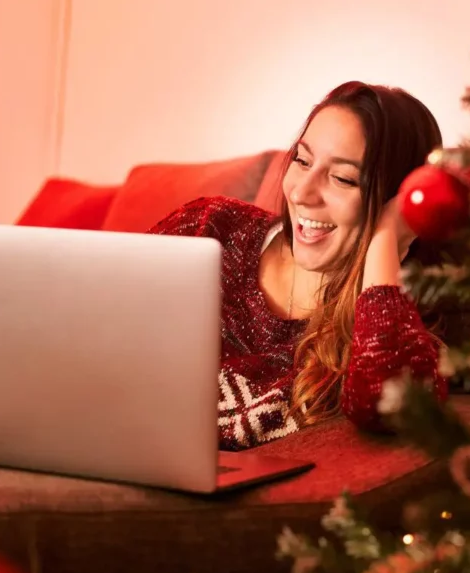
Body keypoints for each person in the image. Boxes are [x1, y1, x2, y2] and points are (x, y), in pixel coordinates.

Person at [148, 81, 448, 451]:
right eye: (302, 161)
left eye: (343, 179)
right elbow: (99, 331)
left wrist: (385, 237)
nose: (301, 193)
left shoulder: (393, 318)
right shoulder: (208, 229)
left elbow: (396, 411)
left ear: (393, 199)